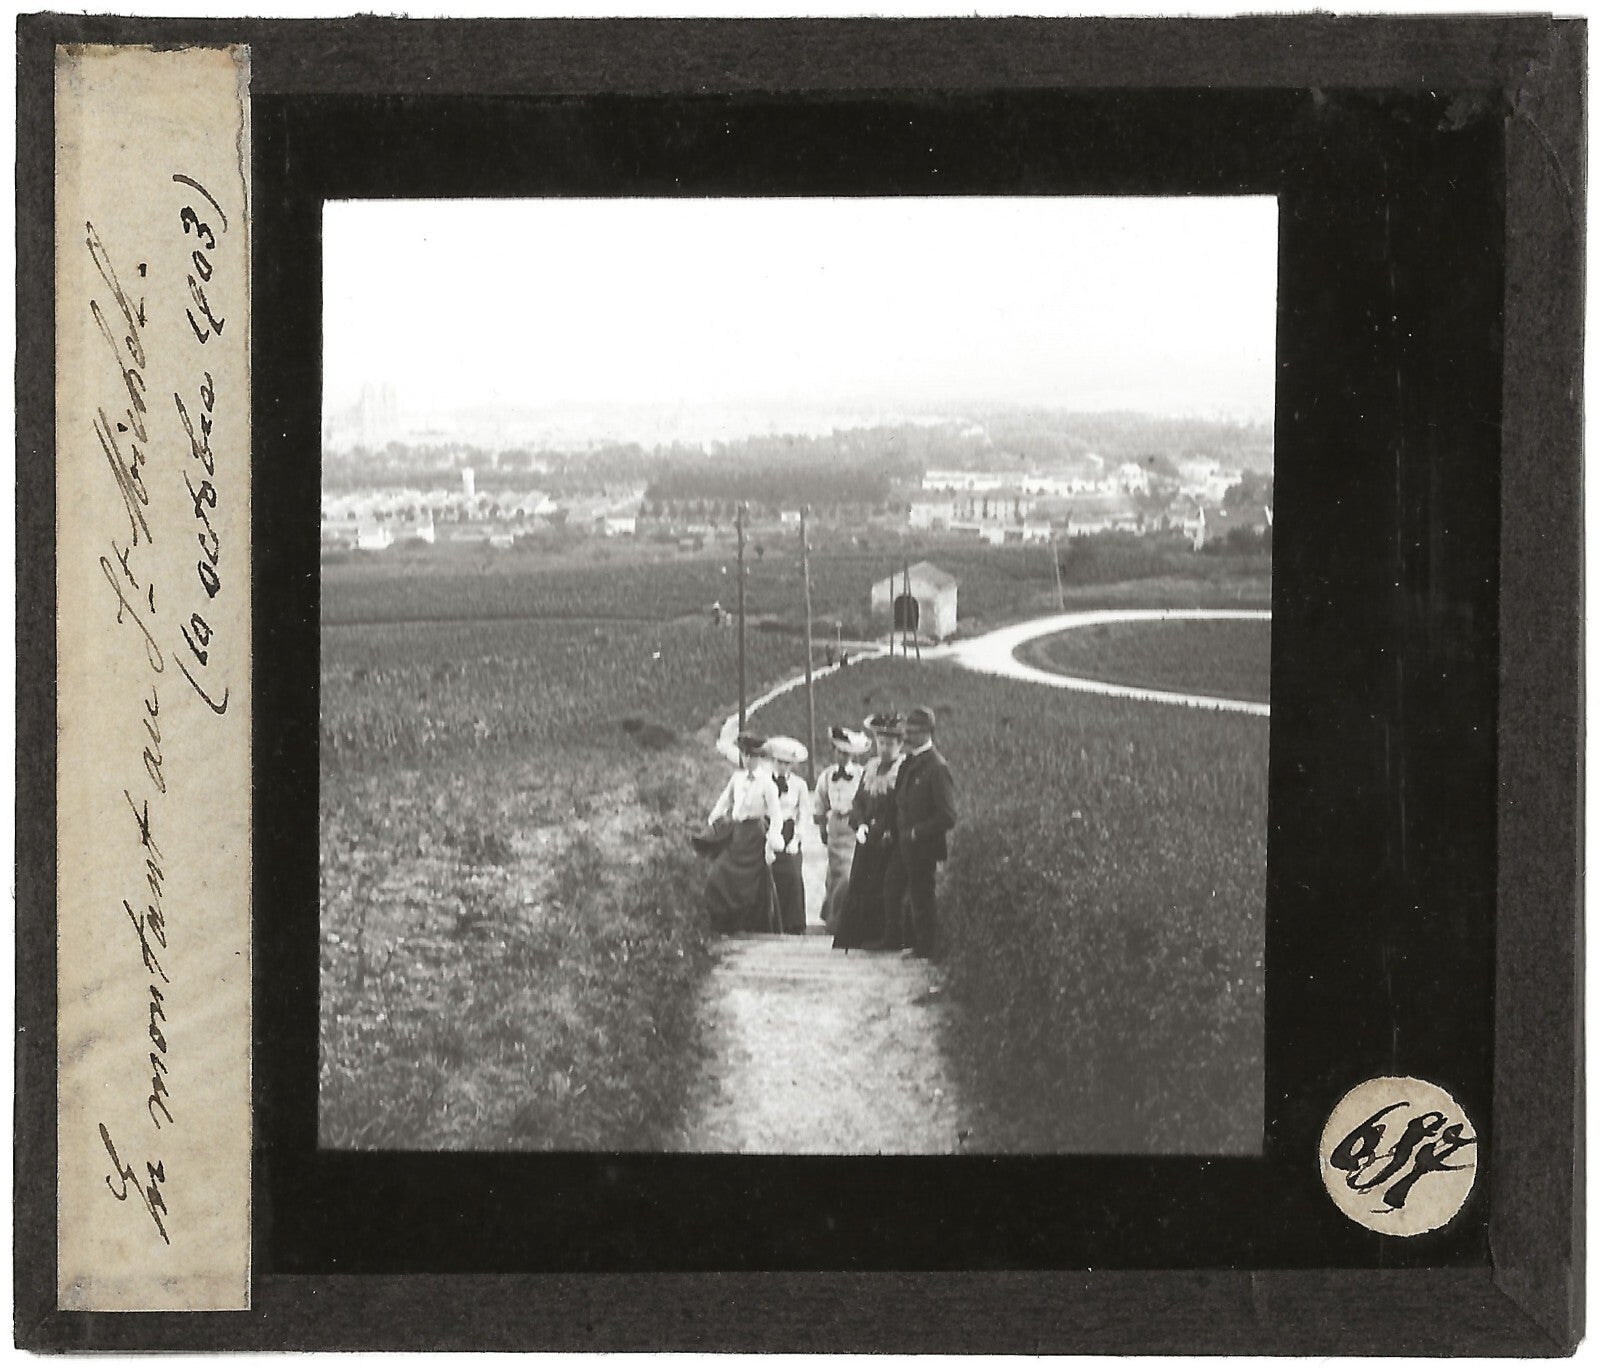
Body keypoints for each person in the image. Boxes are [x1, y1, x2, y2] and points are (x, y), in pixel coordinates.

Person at [881, 705, 957, 958]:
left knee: (922, 896)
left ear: (926, 733)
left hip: (922, 846)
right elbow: (900, 798)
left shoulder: (937, 767)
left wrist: (917, 832)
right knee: (894, 888)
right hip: (904, 843)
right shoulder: (911, 762)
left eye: (912, 731)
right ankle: (897, 940)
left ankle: (926, 949)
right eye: (907, 730)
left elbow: (948, 815)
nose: (907, 736)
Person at [832, 713, 905, 952]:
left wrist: (888, 830)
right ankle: (855, 939)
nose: (884, 748)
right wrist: (860, 824)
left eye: (890, 744)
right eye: (881, 743)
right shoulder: (871, 767)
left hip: (887, 842)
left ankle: (881, 937)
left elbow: (900, 807)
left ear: (900, 745)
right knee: (859, 887)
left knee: (883, 888)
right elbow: (859, 802)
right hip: (866, 842)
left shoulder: (902, 771)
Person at [702, 732, 782, 933]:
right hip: (737, 835)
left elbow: (776, 814)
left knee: (755, 885)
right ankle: (725, 922)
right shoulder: (736, 778)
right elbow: (724, 801)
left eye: (752, 756)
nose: (748, 760)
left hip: (755, 837)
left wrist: (772, 840)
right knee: (718, 874)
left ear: (759, 758)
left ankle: (752, 926)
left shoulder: (767, 783)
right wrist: (714, 819)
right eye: (745, 755)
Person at [813, 725, 870, 932]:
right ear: (833, 752)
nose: (843, 756)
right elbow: (820, 801)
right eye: (839, 752)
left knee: (849, 873)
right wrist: (821, 826)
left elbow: (866, 801)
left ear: (853, 755)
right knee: (835, 872)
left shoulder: (862, 775)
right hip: (835, 826)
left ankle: (846, 920)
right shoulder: (827, 776)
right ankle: (832, 917)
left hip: (853, 827)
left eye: (847, 753)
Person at [764, 736, 813, 935]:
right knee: (768, 875)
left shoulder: (800, 785)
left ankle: (793, 924)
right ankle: (770, 922)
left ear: (792, 765)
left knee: (793, 875)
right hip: (769, 830)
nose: (782, 767)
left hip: (789, 831)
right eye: (778, 762)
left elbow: (804, 814)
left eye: (786, 763)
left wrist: (796, 839)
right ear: (773, 762)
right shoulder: (765, 780)